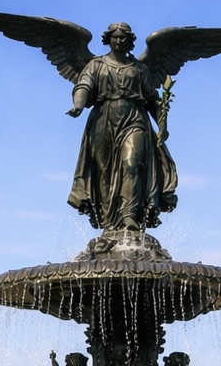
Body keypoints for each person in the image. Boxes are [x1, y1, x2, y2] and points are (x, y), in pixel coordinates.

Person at [65, 22, 178, 231]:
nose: (118, 41)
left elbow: (152, 99)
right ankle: (109, 220)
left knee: (132, 162)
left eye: (123, 37)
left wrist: (162, 124)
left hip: (135, 119)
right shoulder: (96, 65)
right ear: (108, 39)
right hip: (103, 121)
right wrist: (78, 105)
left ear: (130, 41)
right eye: (115, 37)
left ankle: (129, 215)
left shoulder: (140, 69)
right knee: (103, 170)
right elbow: (84, 85)